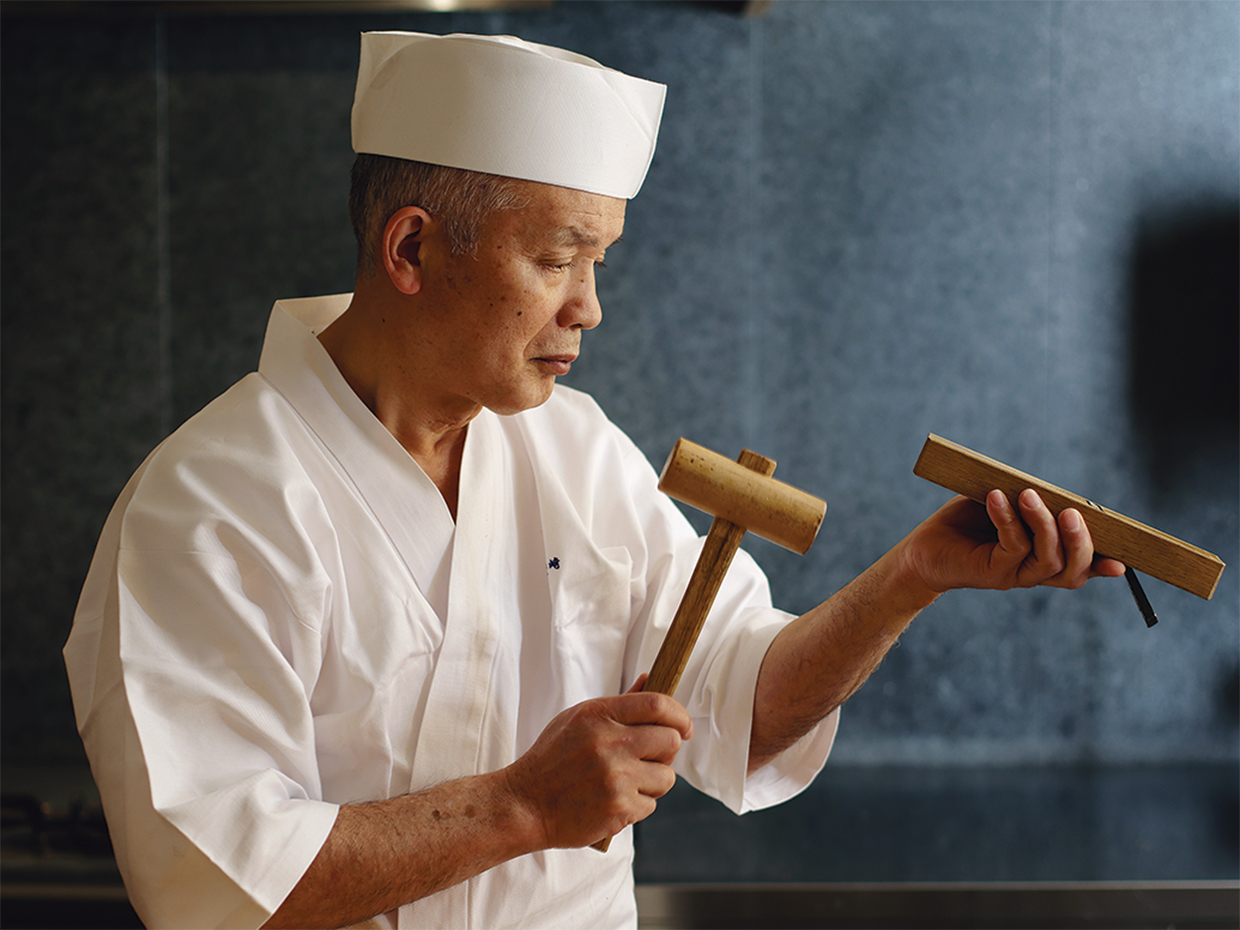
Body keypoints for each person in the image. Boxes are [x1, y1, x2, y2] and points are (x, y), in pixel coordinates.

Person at [63, 31, 1125, 930]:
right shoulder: (207, 505)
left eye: (598, 264)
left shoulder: (577, 452)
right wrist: (520, 808)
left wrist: (908, 580)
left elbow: (739, 710)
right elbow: (210, 879)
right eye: (557, 259)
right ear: (412, 247)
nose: (589, 309)